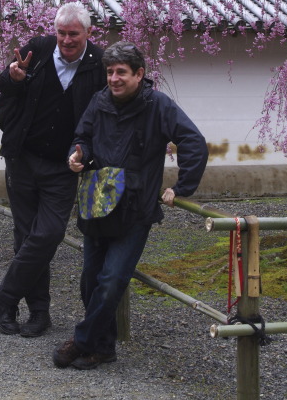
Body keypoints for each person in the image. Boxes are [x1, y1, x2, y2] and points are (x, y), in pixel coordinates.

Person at [53, 41, 208, 370]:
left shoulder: (159, 106)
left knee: (111, 281)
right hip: (97, 198)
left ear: (139, 74)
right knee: (89, 280)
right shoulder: (99, 101)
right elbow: (83, 135)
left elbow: (193, 141)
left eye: (121, 72)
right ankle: (103, 349)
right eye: (109, 72)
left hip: (135, 207)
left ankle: (81, 342)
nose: (113, 78)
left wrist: (182, 187)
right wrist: (78, 153)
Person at [0, 2, 105, 337]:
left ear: (88, 33)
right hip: (23, 158)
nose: (66, 40)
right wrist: (13, 76)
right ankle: (34, 313)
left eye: (73, 34)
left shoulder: (99, 63)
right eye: (61, 33)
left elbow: (107, 106)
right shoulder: (38, 50)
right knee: (25, 235)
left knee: (50, 233)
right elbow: (5, 83)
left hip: (63, 165)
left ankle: (5, 296)